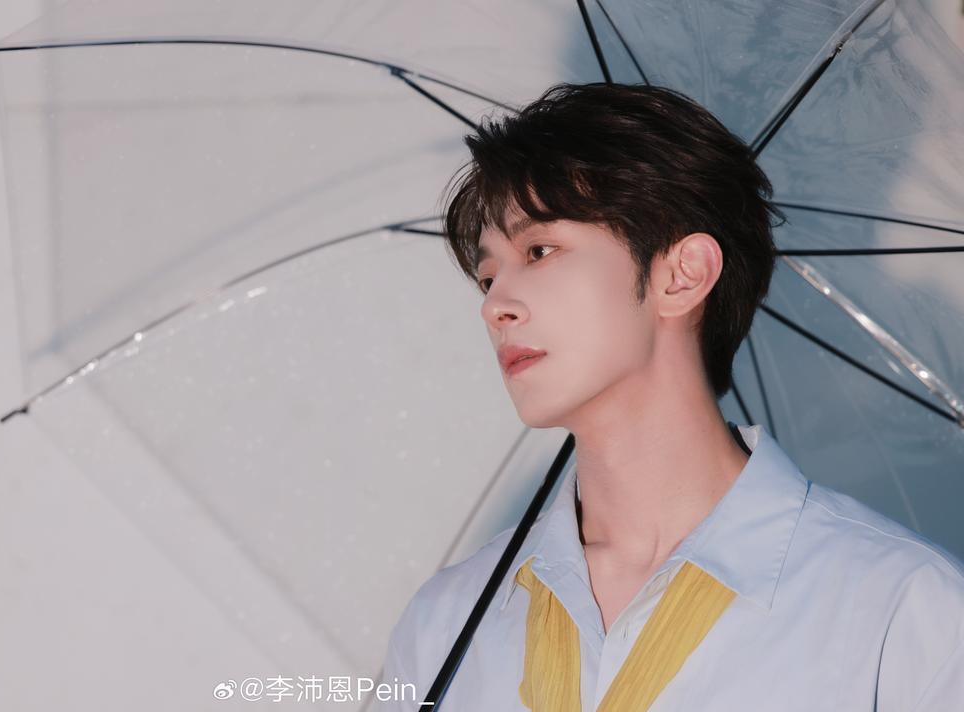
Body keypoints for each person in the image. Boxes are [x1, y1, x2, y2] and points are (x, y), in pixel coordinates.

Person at [376, 82, 964, 711]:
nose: (495, 305)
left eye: (539, 251)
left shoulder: (904, 614)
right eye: (488, 275)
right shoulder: (447, 624)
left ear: (683, 275)